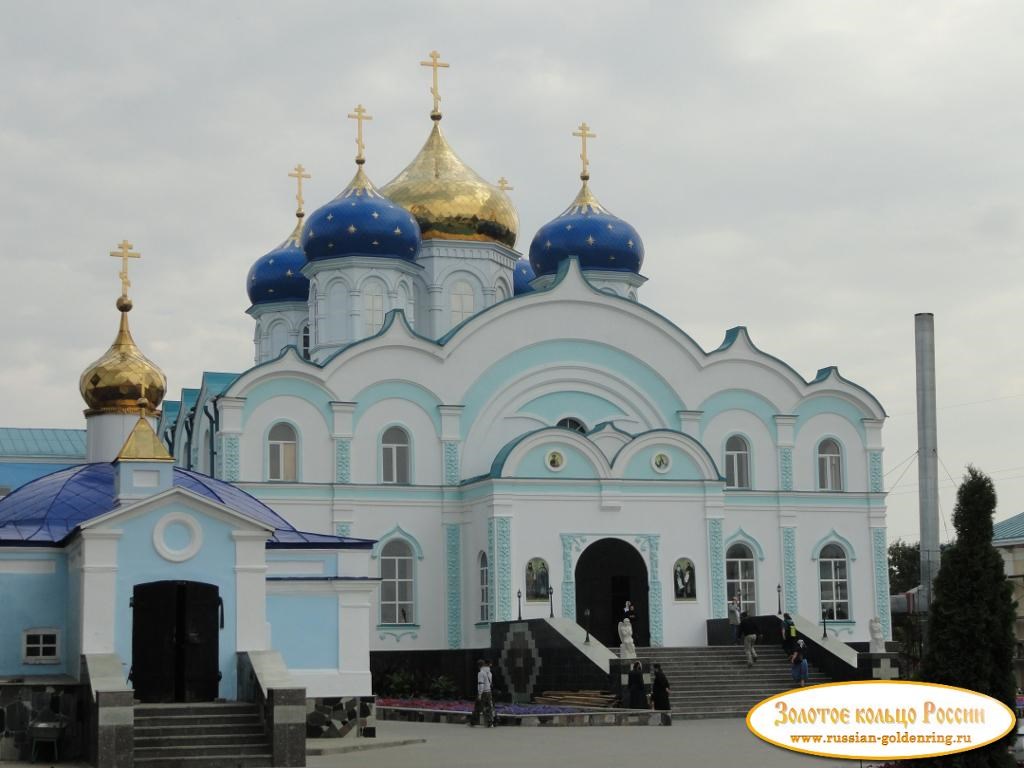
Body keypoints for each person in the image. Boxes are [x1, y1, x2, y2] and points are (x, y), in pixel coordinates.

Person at [470, 658, 495, 727]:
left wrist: (480, 694)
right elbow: (490, 683)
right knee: (488, 707)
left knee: (477, 707)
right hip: (489, 692)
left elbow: (481, 684)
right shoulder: (489, 672)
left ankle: (473, 722)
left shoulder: (481, 673)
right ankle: (490, 722)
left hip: (483, 692)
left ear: (478, 666)